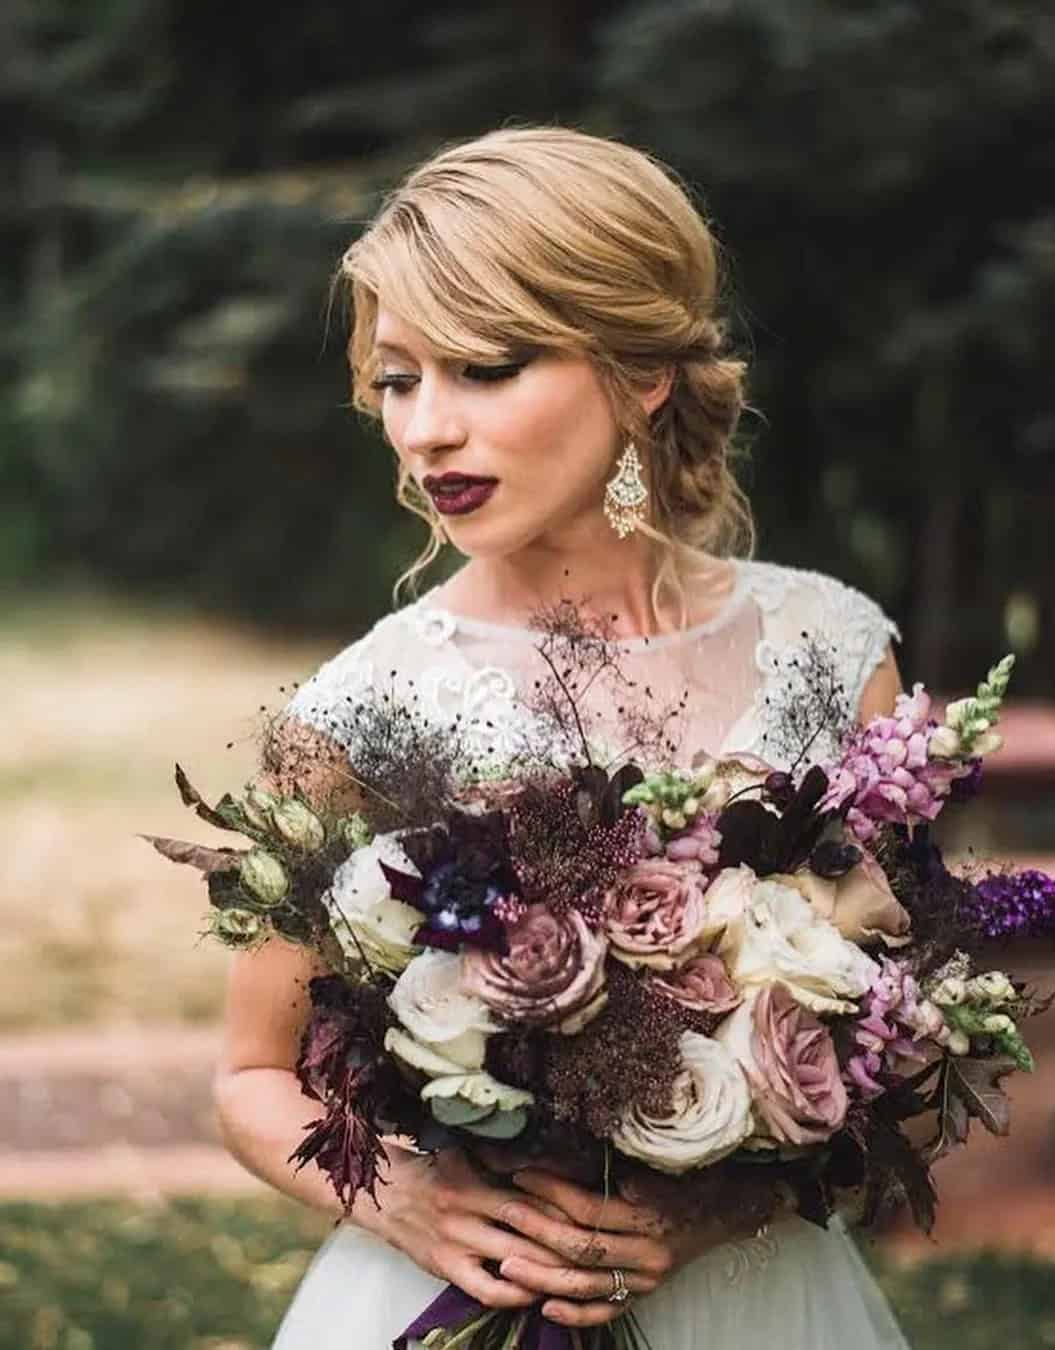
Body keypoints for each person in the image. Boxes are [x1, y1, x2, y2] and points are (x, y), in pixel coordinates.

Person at [215, 127, 911, 1349]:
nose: (426, 429)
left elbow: (906, 1035)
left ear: (641, 372)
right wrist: (417, 1205)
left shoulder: (833, 650)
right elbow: (248, 1078)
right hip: (453, 1307)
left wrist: (727, 1198)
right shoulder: (361, 712)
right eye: (396, 378)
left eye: (485, 368)